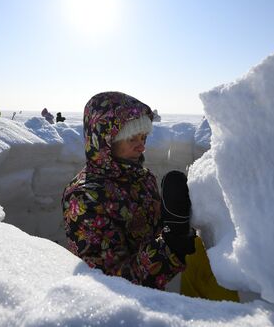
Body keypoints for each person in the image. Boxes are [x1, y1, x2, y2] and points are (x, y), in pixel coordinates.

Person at [61, 91, 196, 290]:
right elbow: (109, 283)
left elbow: (152, 231)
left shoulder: (140, 176)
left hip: (153, 298)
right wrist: (171, 246)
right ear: (106, 139)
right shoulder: (84, 198)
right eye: (132, 139)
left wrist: (173, 220)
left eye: (144, 137)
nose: (141, 147)